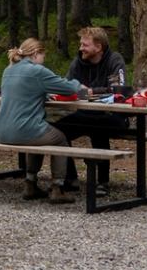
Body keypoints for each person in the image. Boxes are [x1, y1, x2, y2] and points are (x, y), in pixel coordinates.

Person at [0, 37, 89, 202]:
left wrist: (43, 93)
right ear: (36, 53)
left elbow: (11, 90)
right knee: (60, 139)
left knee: (37, 136)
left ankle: (30, 183)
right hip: (23, 130)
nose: (43, 61)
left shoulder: (8, 70)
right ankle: (57, 188)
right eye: (43, 56)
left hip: (1, 131)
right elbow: (68, 88)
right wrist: (79, 85)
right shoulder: (37, 71)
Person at [56, 26, 131, 195]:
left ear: (98, 47)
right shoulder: (78, 62)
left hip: (113, 116)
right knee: (58, 131)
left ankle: (103, 182)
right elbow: (68, 86)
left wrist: (90, 91)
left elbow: (118, 90)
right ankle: (70, 178)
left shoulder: (114, 60)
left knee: (98, 127)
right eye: (81, 44)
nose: (80, 48)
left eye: (85, 45)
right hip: (86, 114)